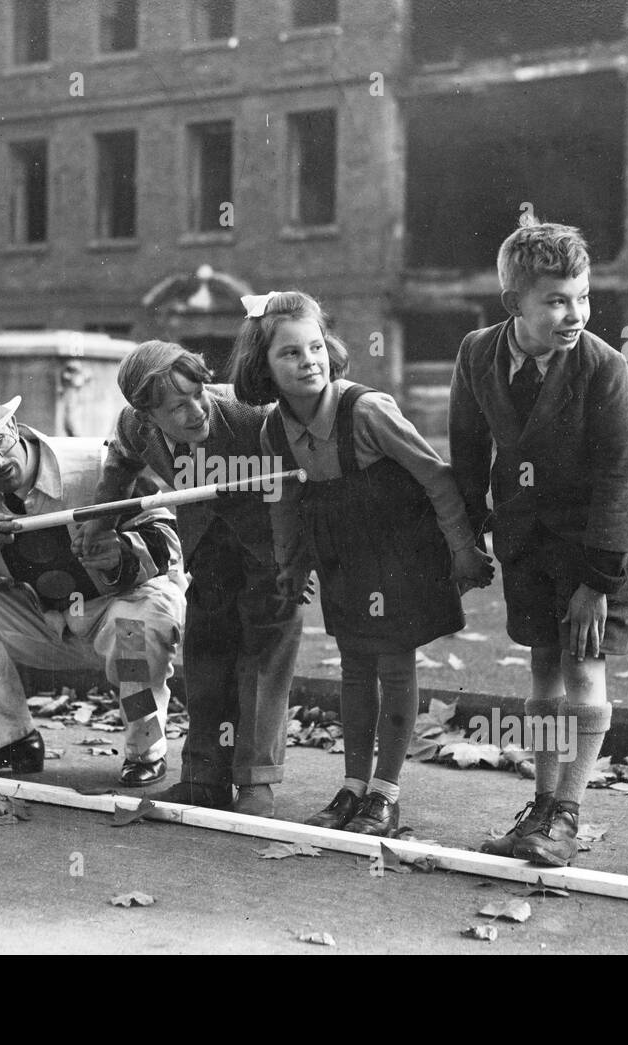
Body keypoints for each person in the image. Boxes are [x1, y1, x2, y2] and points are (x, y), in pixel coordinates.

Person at [231, 291, 494, 837]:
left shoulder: (368, 411)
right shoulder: (272, 430)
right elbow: (285, 501)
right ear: (263, 368)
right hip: (342, 557)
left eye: (315, 347)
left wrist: (464, 549)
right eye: (290, 354)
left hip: (400, 552)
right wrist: (290, 565)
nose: (308, 361)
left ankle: (385, 793)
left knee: (394, 665)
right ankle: (353, 786)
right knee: (353, 668)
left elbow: (436, 478)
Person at [449, 219, 628, 866]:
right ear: (515, 304)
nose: (575, 313)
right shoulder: (477, 353)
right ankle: (539, 805)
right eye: (557, 300)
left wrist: (597, 581)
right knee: (541, 670)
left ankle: (567, 813)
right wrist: (469, 534)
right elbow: (469, 450)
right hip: (526, 542)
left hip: (592, 547)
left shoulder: (603, 367)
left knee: (584, 667)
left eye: (583, 297)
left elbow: (624, 476)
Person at [0, 377, 187, 787]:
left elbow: (172, 546)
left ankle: (146, 747)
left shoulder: (99, 464)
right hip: (37, 623)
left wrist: (123, 551)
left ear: (12, 427)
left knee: (143, 620)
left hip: (112, 613)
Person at [78, 341, 304, 817]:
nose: (197, 410)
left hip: (271, 549)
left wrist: (296, 558)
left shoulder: (251, 416)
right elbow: (120, 463)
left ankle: (255, 784)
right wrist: (100, 525)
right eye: (177, 407)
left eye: (198, 393)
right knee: (206, 660)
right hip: (207, 546)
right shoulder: (134, 426)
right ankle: (204, 779)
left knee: (260, 662)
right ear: (147, 413)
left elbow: (304, 481)